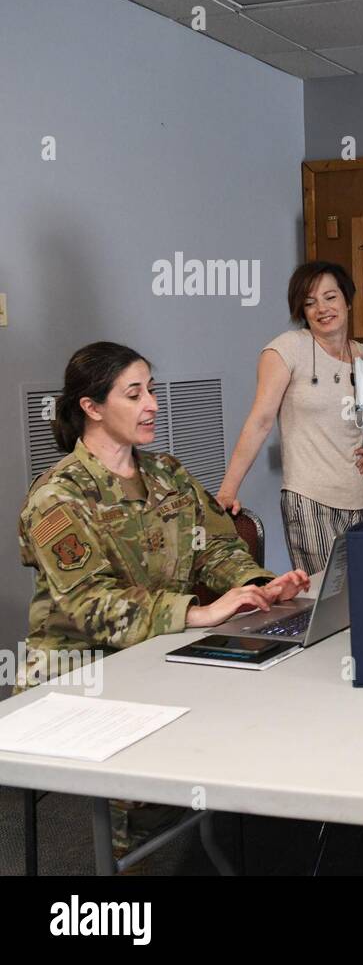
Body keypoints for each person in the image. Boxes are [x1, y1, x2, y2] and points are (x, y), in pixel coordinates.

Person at [17, 342, 310, 858]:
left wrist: (259, 586)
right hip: (81, 664)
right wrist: (197, 613)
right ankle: (134, 859)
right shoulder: (57, 498)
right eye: (135, 393)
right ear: (92, 407)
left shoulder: (167, 474)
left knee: (266, 701)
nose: (153, 403)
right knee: (153, 789)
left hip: (160, 643)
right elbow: (91, 606)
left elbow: (214, 548)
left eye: (151, 389)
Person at [217, 261, 363, 573]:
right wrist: (228, 490)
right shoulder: (286, 350)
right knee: (328, 600)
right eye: (310, 302)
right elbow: (260, 421)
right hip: (310, 500)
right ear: (301, 311)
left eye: (330, 297)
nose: (322, 309)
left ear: (347, 300)